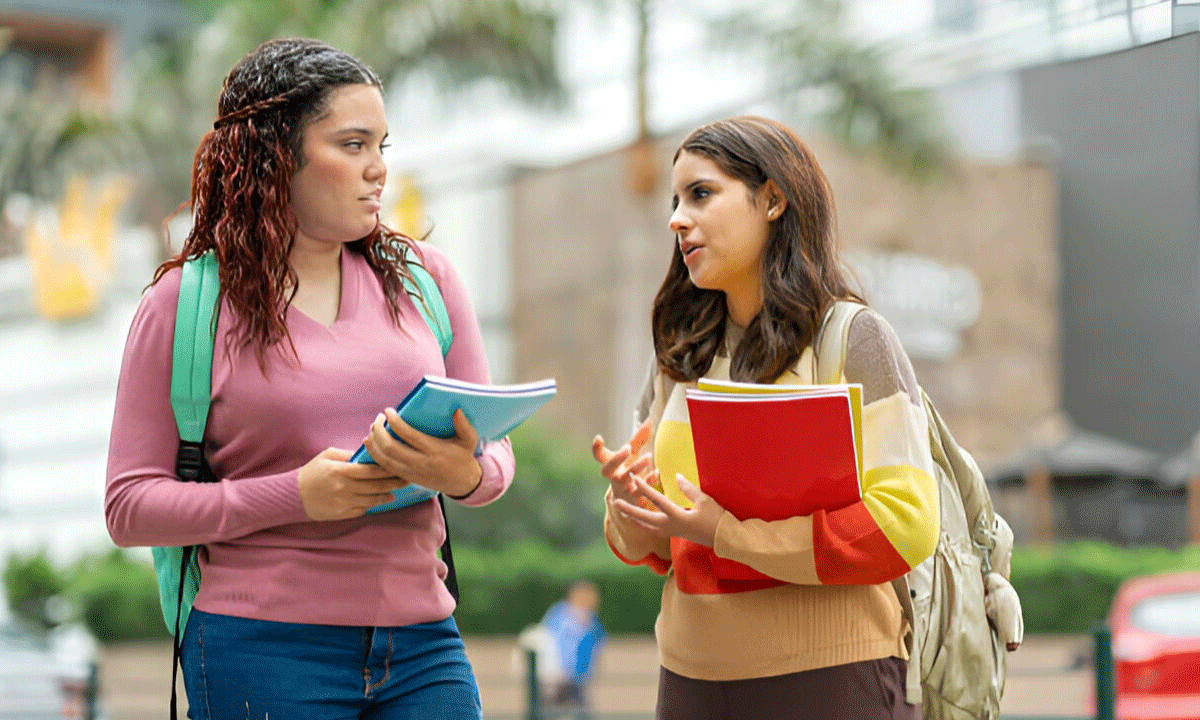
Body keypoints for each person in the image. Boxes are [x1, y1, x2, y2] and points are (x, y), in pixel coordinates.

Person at [105, 38, 513, 720]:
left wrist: (462, 473)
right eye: (353, 145)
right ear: (275, 155)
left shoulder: (426, 279)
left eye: (383, 145)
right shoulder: (185, 305)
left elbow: (496, 458)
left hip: (423, 644)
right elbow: (129, 506)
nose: (378, 170)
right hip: (259, 647)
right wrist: (294, 496)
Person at [591, 116, 940, 720]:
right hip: (690, 683)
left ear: (773, 199)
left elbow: (906, 523)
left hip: (833, 682)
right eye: (675, 201)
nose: (677, 218)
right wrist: (631, 508)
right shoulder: (678, 355)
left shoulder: (853, 339)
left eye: (701, 194)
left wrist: (727, 534)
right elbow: (655, 546)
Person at [539, 579, 607, 718]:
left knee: (579, 711)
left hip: (578, 678)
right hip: (558, 676)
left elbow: (598, 643)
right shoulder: (560, 614)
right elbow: (551, 642)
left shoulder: (591, 620)